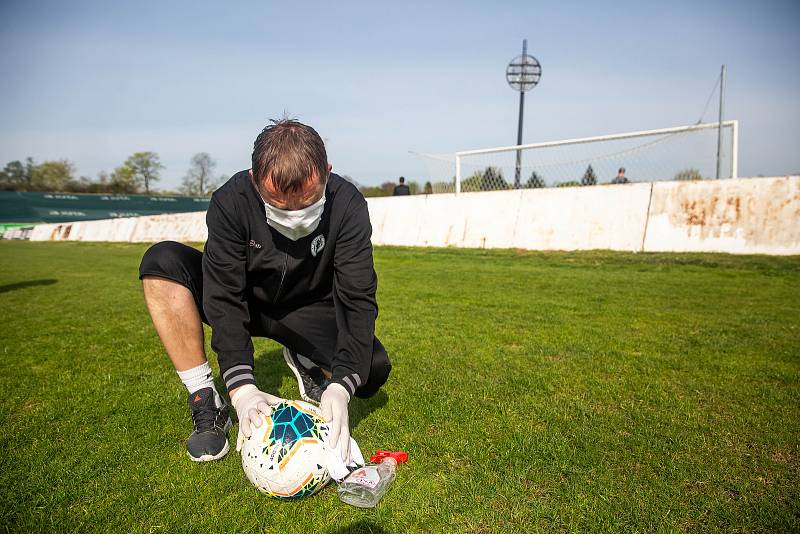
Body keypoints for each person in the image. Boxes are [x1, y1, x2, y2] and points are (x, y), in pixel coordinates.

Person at [138, 118, 391, 464]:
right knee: (161, 261)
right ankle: (205, 397)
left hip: (307, 307)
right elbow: (224, 296)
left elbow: (357, 296)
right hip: (248, 301)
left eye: (308, 201)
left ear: (327, 172)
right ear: (255, 179)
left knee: (371, 369)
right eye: (279, 204)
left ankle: (305, 358)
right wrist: (241, 389)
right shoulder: (230, 201)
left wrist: (343, 385)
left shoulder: (348, 205)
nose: (295, 216)